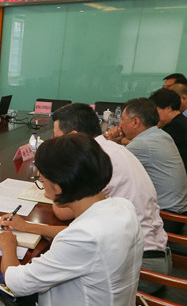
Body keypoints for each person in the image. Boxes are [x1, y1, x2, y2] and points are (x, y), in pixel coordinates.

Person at [0, 134, 143, 306]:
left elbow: (15, 282)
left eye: (42, 179)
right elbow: (79, 235)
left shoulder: (84, 236)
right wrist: (29, 227)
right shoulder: (121, 207)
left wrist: (8, 246)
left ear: (59, 186)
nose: (41, 182)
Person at [51, 103, 170, 293]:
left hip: (142, 268)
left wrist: (51, 184)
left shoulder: (94, 159)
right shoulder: (110, 149)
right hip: (152, 254)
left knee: (53, 284)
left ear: (72, 136)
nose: (53, 142)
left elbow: (62, 212)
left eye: (56, 136)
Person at [107, 98, 187, 214]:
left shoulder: (142, 144)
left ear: (135, 122)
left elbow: (109, 167)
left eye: (122, 119)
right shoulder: (160, 134)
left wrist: (111, 142)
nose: (120, 124)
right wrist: (117, 143)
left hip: (166, 213)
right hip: (175, 205)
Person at [149, 88, 187, 180]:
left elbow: (151, 146)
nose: (154, 114)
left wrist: (124, 140)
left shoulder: (177, 127)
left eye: (156, 110)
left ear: (168, 108)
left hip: (179, 176)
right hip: (175, 171)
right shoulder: (180, 120)